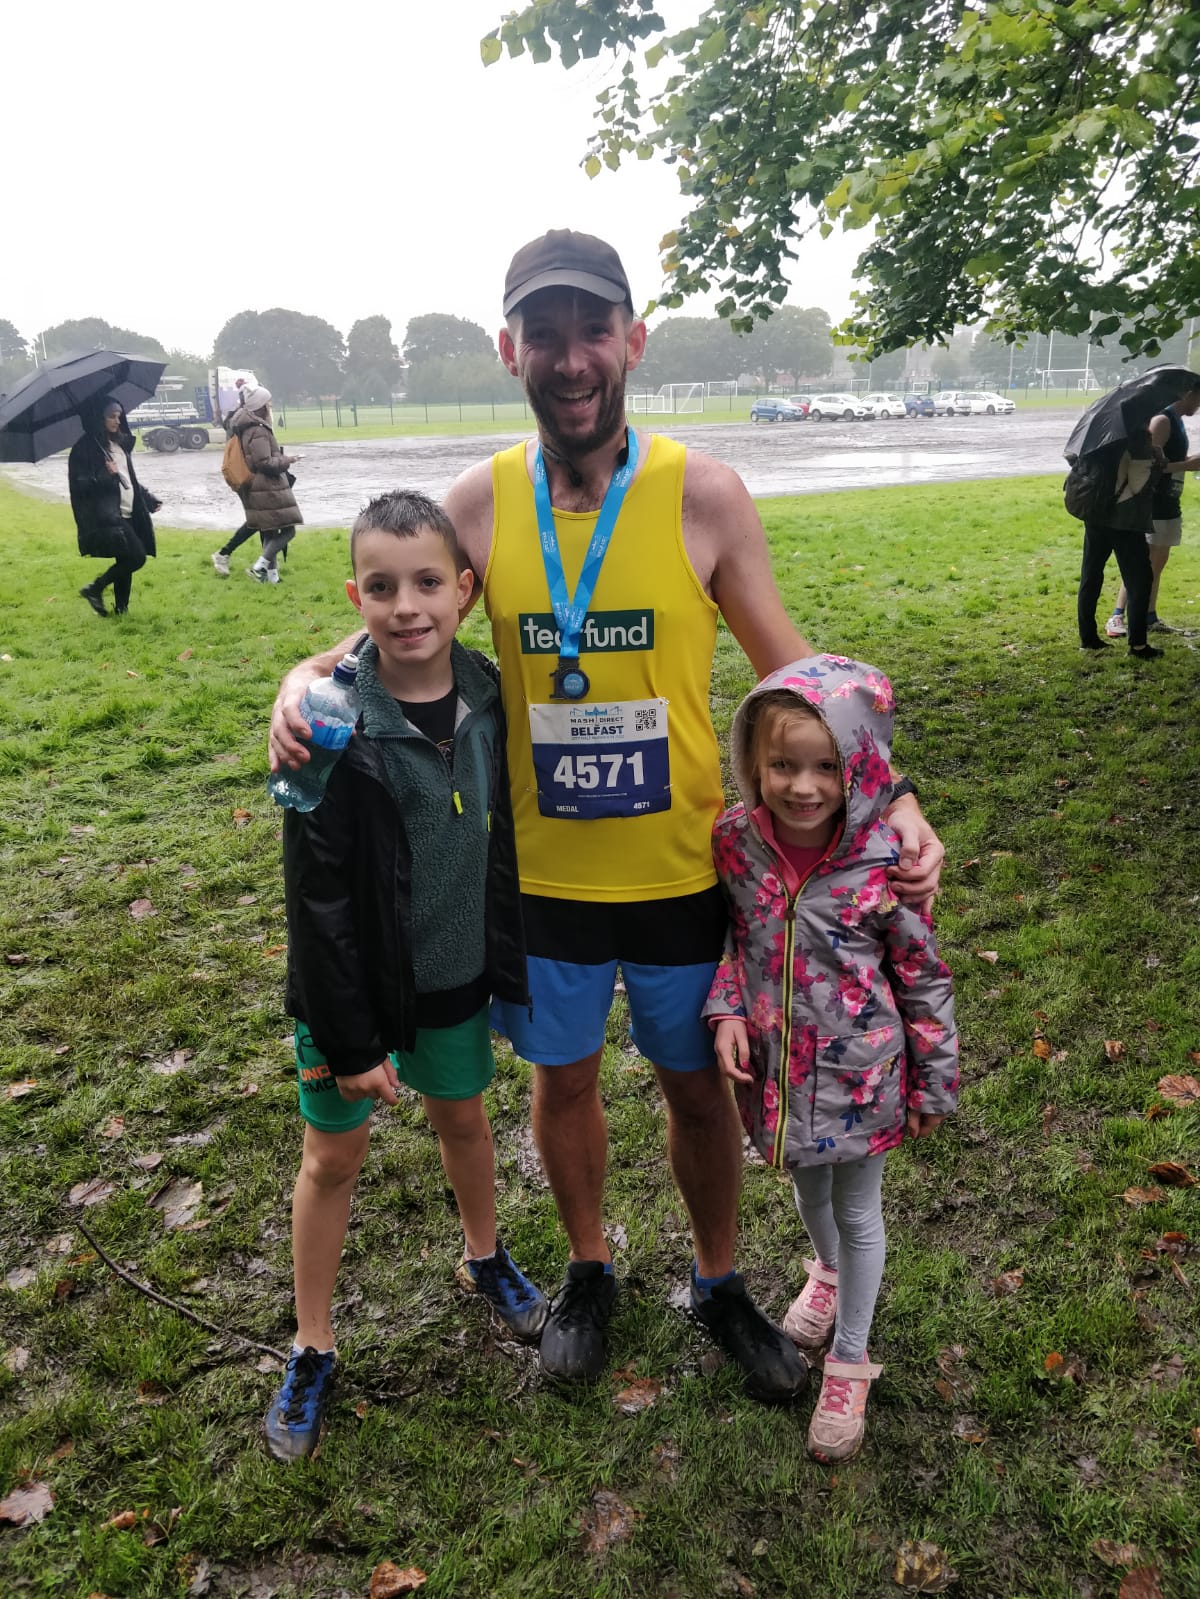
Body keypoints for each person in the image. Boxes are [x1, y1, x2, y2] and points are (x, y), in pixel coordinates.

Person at [269, 230, 945, 1401]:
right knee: (563, 1083)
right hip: (545, 880)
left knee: (700, 1089)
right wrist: (307, 679)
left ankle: (720, 1281)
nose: (571, 358)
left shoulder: (705, 494)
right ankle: (590, 1267)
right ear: (510, 349)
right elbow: (397, 606)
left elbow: (796, 670)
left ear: (633, 340)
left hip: (684, 869)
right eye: (546, 333)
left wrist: (901, 801)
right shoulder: (481, 501)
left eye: (595, 330)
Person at [265, 489, 546, 1462]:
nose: (406, 605)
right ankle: (310, 1345)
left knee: (464, 1120)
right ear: (356, 593)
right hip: (350, 997)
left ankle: (485, 1256)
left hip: (456, 978)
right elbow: (317, 899)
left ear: (465, 591)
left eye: (428, 581)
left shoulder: (494, 694)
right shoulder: (326, 722)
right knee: (330, 1159)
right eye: (381, 587)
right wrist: (348, 1039)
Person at [704, 654, 958, 1462]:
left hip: (864, 1077)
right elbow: (732, 940)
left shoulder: (888, 860)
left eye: (825, 767)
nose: (804, 786)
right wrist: (726, 1008)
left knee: (858, 1210)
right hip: (780, 1075)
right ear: (753, 763)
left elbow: (922, 978)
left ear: (860, 768)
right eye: (782, 764)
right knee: (809, 1192)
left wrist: (933, 1082)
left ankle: (850, 1357)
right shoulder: (736, 844)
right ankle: (823, 1270)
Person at [1105, 385, 1200, 638]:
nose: (1199, 407)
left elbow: (1167, 460)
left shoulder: (1177, 422)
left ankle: (1149, 616)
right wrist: (1188, 465)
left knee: (1157, 564)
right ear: (1187, 394)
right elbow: (1148, 466)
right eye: (1199, 400)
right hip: (1153, 503)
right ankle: (1117, 615)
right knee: (1142, 565)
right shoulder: (1162, 420)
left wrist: (1189, 461)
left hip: (1170, 502)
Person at [1076, 427, 1165, 659]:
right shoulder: (1136, 442)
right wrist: (1157, 464)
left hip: (1095, 515)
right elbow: (1138, 486)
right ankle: (1138, 646)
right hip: (1124, 520)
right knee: (1139, 580)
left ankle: (1088, 638)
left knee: (1091, 575)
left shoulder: (1097, 438)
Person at [70, 395, 161, 617]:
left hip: (129, 510)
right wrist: (105, 475)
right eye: (111, 416)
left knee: (125, 558)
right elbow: (80, 486)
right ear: (98, 418)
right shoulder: (85, 448)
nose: (117, 421)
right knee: (136, 557)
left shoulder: (118, 444)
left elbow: (129, 478)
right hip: (108, 514)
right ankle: (95, 588)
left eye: (119, 416)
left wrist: (147, 499)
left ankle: (121, 610)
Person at [210, 385, 302, 582]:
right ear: (261, 405)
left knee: (269, 531)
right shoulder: (257, 430)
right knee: (289, 529)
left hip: (257, 487)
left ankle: (272, 577)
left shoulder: (246, 426)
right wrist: (288, 460)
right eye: (267, 402)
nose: (270, 405)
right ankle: (259, 567)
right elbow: (263, 462)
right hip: (265, 486)